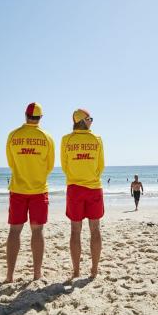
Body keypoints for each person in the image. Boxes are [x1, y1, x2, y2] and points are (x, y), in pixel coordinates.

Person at [5, 102, 55, 282]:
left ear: (25, 116)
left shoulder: (13, 135)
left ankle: (10, 275)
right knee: (37, 231)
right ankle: (36, 274)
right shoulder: (47, 137)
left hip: (18, 189)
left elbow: (11, 163)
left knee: (14, 231)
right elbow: (49, 166)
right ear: (40, 118)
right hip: (38, 189)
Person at [61, 108, 105, 278]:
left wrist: (76, 176)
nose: (92, 121)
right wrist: (90, 176)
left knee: (75, 230)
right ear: (83, 120)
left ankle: (76, 271)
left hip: (74, 188)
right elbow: (101, 165)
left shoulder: (66, 140)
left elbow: (64, 166)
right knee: (95, 229)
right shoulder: (97, 139)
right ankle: (94, 269)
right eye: (90, 119)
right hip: (94, 187)